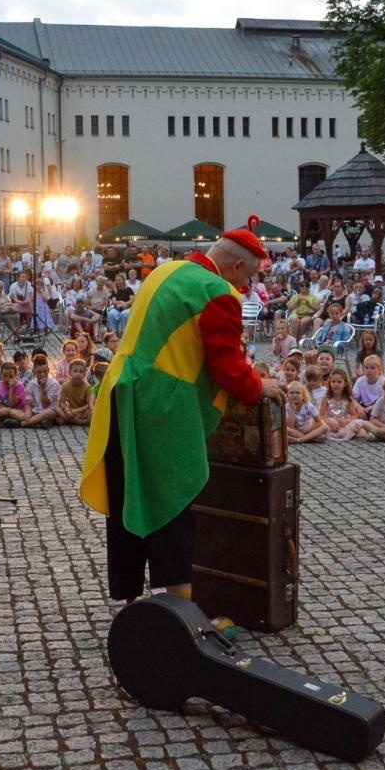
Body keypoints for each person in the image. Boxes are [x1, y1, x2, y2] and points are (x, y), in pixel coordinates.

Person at [79, 218, 284, 604]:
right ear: (236, 266)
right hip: (163, 405)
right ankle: (180, 604)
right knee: (171, 501)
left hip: (121, 389)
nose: (246, 287)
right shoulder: (218, 291)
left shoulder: (164, 270)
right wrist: (260, 386)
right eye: (249, 277)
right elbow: (226, 364)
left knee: (128, 493)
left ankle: (130, 598)